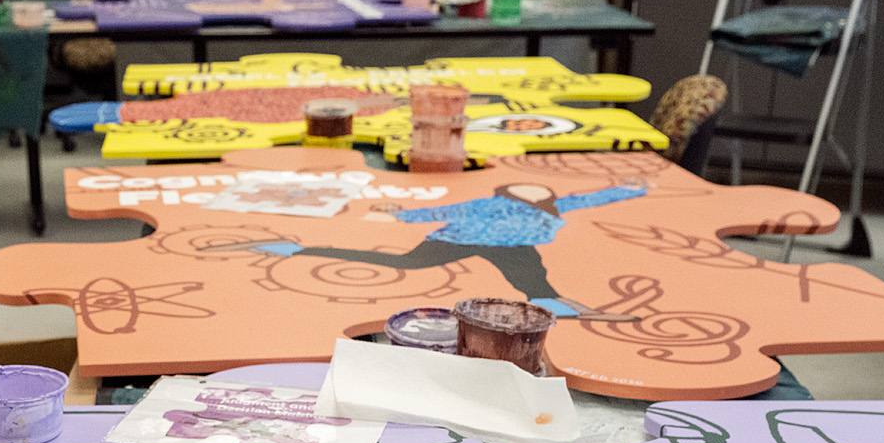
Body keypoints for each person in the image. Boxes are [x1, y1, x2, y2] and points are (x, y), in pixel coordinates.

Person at [258, 179, 648, 305]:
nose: (531, 196)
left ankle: (555, 307)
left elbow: (590, 198)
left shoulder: (556, 206)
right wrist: (402, 214)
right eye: (522, 193)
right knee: (404, 263)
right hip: (458, 239)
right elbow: (442, 210)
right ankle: (300, 249)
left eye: (537, 194)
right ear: (507, 193)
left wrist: (631, 189)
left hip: (512, 247)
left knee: (533, 277)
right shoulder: (485, 203)